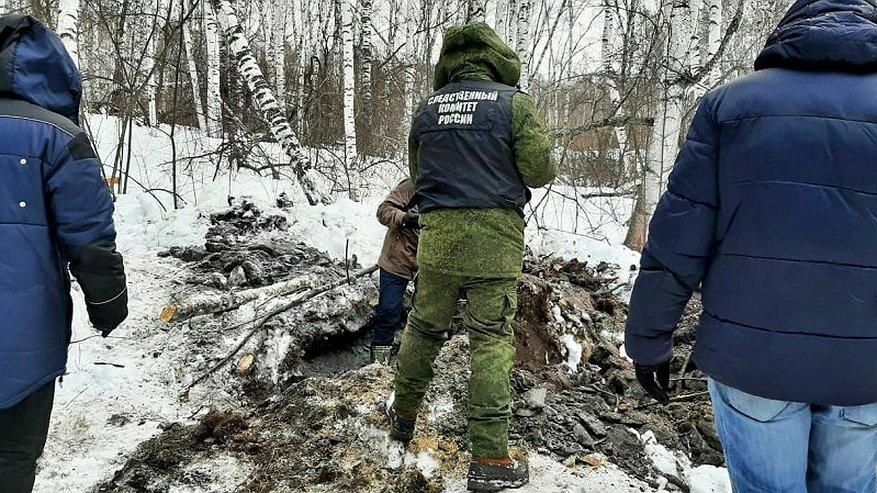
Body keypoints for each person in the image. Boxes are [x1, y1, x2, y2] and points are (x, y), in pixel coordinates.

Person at [625, 1, 877, 491]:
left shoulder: (731, 106)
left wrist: (648, 340)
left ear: (790, 30)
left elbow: (678, 236)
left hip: (751, 359)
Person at [386, 23, 555, 492]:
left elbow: (419, 180)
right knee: (491, 343)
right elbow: (540, 172)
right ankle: (490, 459)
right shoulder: (514, 105)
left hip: (438, 243)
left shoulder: (425, 110)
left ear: (449, 63)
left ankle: (401, 417)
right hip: (495, 246)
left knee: (422, 329)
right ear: (496, 59)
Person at [0, 15, 128, 493]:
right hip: (24, 338)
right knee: (12, 456)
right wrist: (108, 305)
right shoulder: (58, 136)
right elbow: (90, 237)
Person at [371, 178, 420, 364]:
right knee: (389, 311)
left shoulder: (455, 191)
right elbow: (383, 211)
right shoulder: (413, 185)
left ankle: (416, 364)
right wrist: (405, 219)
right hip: (396, 260)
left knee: (426, 317)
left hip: (428, 264)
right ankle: (378, 365)